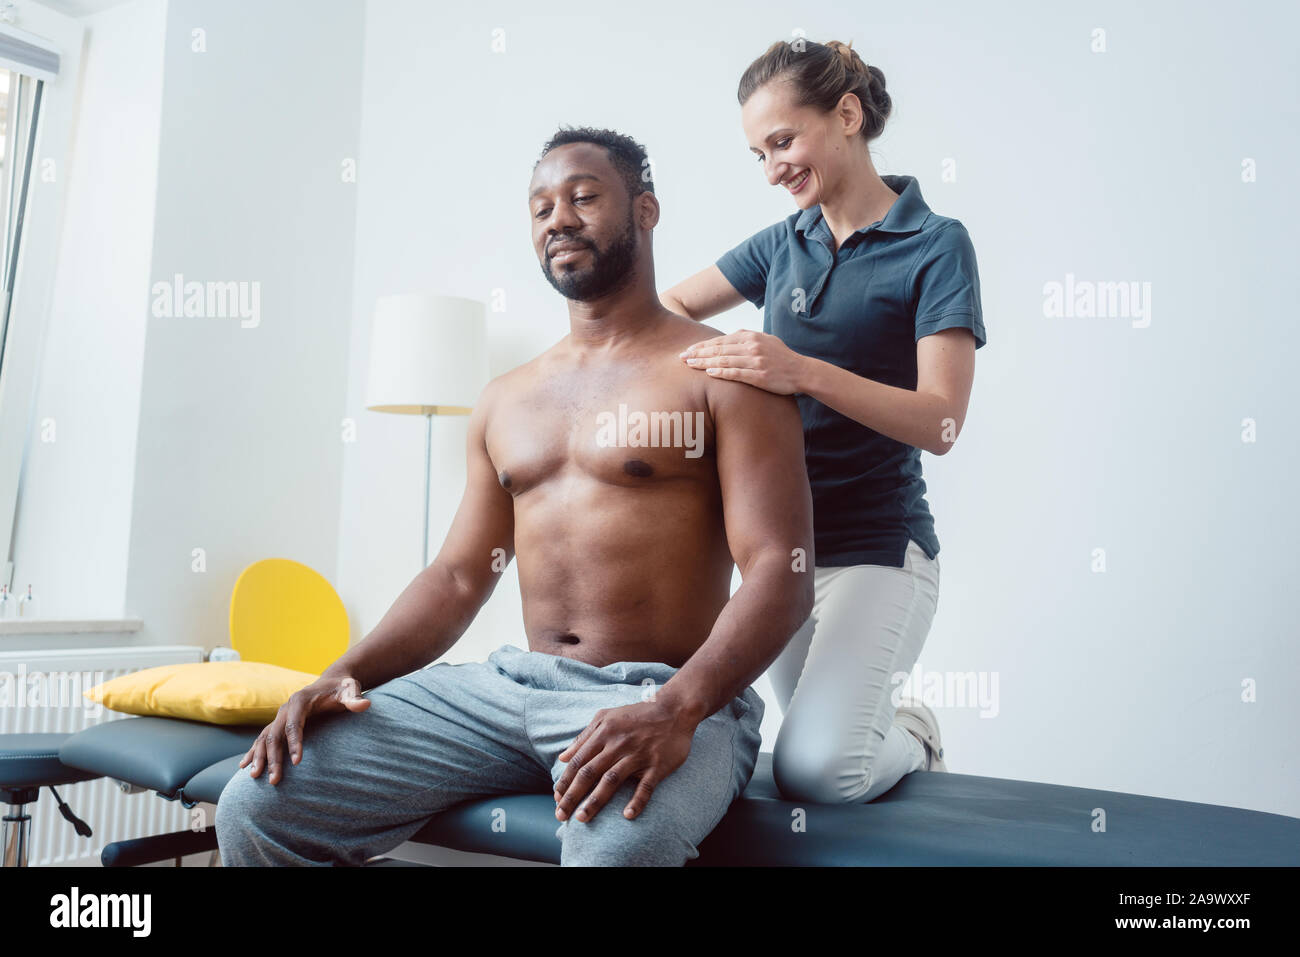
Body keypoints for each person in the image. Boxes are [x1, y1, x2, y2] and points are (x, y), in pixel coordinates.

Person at [214, 127, 815, 867]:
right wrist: (343, 673)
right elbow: (458, 577)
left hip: (660, 692)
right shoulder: (506, 398)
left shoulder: (722, 372)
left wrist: (679, 706)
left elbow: (779, 571)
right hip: (509, 689)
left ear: (646, 210)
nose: (558, 217)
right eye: (540, 207)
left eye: (584, 197)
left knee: (618, 852)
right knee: (260, 802)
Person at [662, 39, 987, 804]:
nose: (773, 167)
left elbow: (941, 423)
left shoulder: (936, 246)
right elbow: (668, 311)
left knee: (817, 771)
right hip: (781, 557)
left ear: (847, 115)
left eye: (782, 141)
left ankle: (915, 731)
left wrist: (799, 370)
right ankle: (872, 724)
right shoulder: (784, 243)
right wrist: (718, 381)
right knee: (796, 750)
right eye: (758, 153)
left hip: (879, 551)